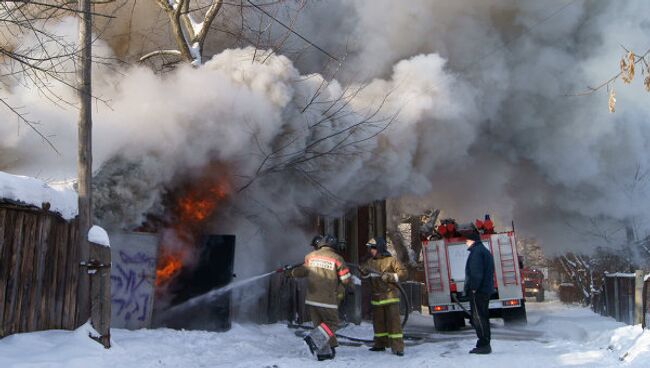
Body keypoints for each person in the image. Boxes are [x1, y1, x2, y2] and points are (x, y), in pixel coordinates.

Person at [285, 234, 351, 361]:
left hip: (312, 298)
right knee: (332, 323)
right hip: (328, 299)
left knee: (320, 326)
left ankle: (323, 353)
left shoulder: (311, 256)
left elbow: (302, 272)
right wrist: (345, 284)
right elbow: (345, 279)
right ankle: (313, 339)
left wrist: (290, 272)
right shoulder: (337, 258)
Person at [359, 237, 408, 356]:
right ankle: (380, 344)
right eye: (370, 248)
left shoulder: (392, 260)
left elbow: (403, 273)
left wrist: (391, 276)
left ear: (380, 248)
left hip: (390, 296)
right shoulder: (370, 262)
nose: (371, 251)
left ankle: (397, 347)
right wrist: (363, 272)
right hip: (377, 298)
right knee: (378, 323)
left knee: (394, 323)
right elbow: (365, 278)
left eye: (373, 248)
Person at [463, 227, 495, 354]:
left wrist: (474, 288)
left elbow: (476, 273)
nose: (466, 242)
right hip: (484, 290)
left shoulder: (476, 252)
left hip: (479, 291)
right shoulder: (483, 251)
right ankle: (484, 342)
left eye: (467, 240)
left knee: (478, 317)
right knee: (482, 316)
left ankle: (484, 344)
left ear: (472, 241)